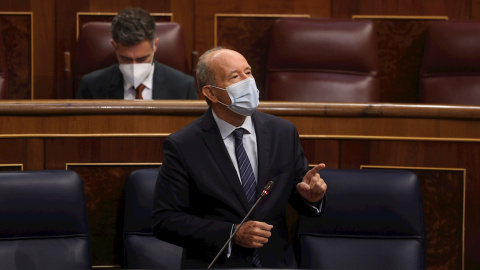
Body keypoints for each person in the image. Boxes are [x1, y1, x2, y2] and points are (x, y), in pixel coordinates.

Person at [152, 47, 327, 268]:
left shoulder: (282, 132)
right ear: (211, 93)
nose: (248, 81)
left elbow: (298, 192)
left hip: (275, 263)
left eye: (248, 72)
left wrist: (311, 198)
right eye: (235, 77)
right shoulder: (184, 145)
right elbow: (165, 220)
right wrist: (231, 234)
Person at [76, 7, 197, 100]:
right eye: (126, 59)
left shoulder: (183, 86)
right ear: (114, 46)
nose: (134, 66)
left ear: (155, 45)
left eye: (142, 59)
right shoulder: (91, 86)